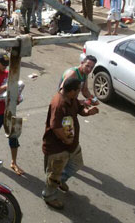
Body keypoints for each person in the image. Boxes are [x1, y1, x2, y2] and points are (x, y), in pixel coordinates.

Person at [42, 77, 99, 209]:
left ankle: (61, 180)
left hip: (72, 145)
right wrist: (65, 139)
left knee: (77, 164)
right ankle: (49, 197)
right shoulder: (59, 103)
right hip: (58, 148)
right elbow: (55, 126)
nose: (80, 91)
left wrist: (88, 112)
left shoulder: (71, 98)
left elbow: (80, 110)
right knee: (53, 175)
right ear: (71, 91)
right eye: (78, 89)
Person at [0, 53, 25, 175]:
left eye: (7, 65)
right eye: (3, 64)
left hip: (10, 111)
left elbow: (13, 91)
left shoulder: (8, 74)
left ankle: (14, 162)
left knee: (14, 137)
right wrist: (4, 87)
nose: (5, 67)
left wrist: (17, 98)